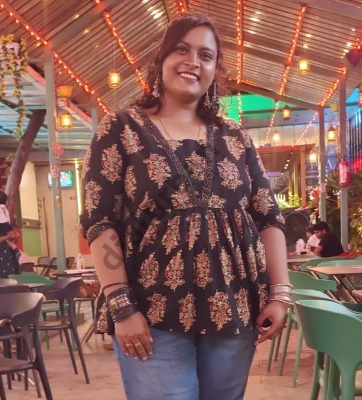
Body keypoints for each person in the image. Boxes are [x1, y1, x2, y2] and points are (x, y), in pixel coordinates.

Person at [80, 13, 290, 400]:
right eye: (182, 49)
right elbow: (100, 220)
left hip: (234, 306)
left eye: (205, 55)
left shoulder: (235, 136)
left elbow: (268, 216)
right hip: (150, 313)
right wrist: (121, 306)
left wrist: (280, 294)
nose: (193, 62)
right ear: (160, 59)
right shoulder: (121, 128)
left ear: (215, 69)